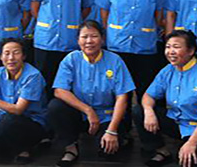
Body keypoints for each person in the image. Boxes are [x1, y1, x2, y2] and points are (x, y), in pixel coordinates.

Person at [135, 30, 197, 167]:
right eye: (168, 47)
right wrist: (149, 111)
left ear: (191, 51)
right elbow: (148, 96)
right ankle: (161, 150)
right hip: (179, 122)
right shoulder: (168, 70)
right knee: (139, 111)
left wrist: (192, 143)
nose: (170, 51)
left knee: (193, 161)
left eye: (176, 47)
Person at [49, 21, 135, 167]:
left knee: (108, 151)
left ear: (102, 39)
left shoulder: (115, 60)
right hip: (80, 114)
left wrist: (112, 130)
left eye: (94, 36)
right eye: (84, 37)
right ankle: (70, 147)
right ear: (78, 40)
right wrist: (88, 110)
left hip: (106, 116)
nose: (89, 41)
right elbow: (59, 90)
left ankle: (121, 136)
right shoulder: (71, 59)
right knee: (55, 107)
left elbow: (122, 97)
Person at [97, 0, 164, 106]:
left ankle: (144, 120)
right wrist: (109, 31)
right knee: (119, 91)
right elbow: (104, 11)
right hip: (118, 45)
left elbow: (158, 13)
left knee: (145, 89)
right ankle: (122, 121)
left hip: (145, 45)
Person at [29, 0, 93, 90]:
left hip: (70, 39)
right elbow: (34, 9)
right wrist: (48, 23)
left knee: (69, 79)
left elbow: (86, 8)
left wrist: (72, 19)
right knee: (44, 79)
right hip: (45, 40)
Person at [0, 38, 48, 163]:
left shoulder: (33, 75)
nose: (11, 58)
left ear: (24, 56)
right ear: (1, 57)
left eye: (16, 53)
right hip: (2, 123)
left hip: (30, 123)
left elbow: (18, 110)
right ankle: (11, 147)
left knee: (9, 119)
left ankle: (25, 148)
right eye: (6, 53)